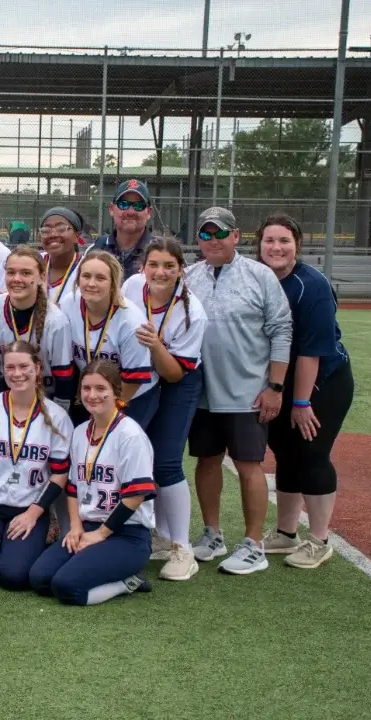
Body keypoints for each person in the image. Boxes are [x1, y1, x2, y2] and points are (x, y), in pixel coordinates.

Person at [184, 206, 292, 575]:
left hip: (247, 391)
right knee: (207, 461)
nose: (212, 240)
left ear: (236, 235)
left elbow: (281, 329)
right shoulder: (188, 277)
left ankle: (253, 544)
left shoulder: (259, 276)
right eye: (205, 233)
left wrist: (275, 387)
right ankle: (212, 534)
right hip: (201, 392)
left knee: (249, 466)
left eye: (220, 233)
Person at [256, 214, 354, 569]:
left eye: (284, 240)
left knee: (311, 451)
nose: (276, 247)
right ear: (259, 244)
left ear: (297, 244)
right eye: (269, 240)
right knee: (284, 451)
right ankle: (286, 532)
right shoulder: (258, 277)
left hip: (322, 381)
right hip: (280, 379)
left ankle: (320, 539)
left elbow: (312, 352)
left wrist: (301, 401)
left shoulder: (311, 285)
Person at [29, 359, 156, 604]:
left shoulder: (130, 435)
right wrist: (75, 528)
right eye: (87, 388)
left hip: (126, 534)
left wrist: (101, 534)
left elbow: (135, 495)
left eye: (101, 389)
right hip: (88, 526)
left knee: (67, 587)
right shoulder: (80, 432)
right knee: (40, 578)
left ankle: (129, 581)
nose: (92, 395)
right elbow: (74, 487)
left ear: (116, 393)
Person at [0, 341, 73, 590]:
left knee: (14, 577)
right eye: (10, 367)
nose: (17, 374)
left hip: (28, 507)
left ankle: (44, 531)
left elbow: (60, 473)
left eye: (24, 366)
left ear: (38, 368)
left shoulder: (57, 416)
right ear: (3, 370)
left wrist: (33, 513)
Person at [122, 237, 207, 581]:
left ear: (180, 271)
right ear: (143, 267)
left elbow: (174, 372)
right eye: (153, 264)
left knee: (167, 460)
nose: (160, 272)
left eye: (169, 266)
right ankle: (157, 533)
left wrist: (156, 345)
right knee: (137, 453)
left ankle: (183, 548)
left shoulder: (191, 312)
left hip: (177, 379)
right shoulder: (130, 286)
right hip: (140, 376)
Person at [59, 250, 152, 425]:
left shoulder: (130, 321)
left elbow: (134, 379)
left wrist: (110, 411)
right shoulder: (68, 304)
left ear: (112, 283)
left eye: (100, 278)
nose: (91, 283)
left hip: (131, 394)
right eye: (86, 276)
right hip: (91, 392)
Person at [0, 246, 73, 409]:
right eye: (11, 272)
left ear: (41, 277)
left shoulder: (56, 321)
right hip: (7, 388)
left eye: (26, 273)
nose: (17, 279)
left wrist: (60, 413)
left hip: (45, 395)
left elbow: (64, 376)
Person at [90, 179, 155, 280]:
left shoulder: (161, 251)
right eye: (123, 204)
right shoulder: (97, 248)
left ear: (149, 212)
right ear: (111, 209)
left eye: (138, 205)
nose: (130, 212)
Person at [40, 207, 86, 306]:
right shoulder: (33, 262)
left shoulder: (87, 268)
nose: (52, 234)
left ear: (76, 236)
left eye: (61, 229)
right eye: (46, 230)